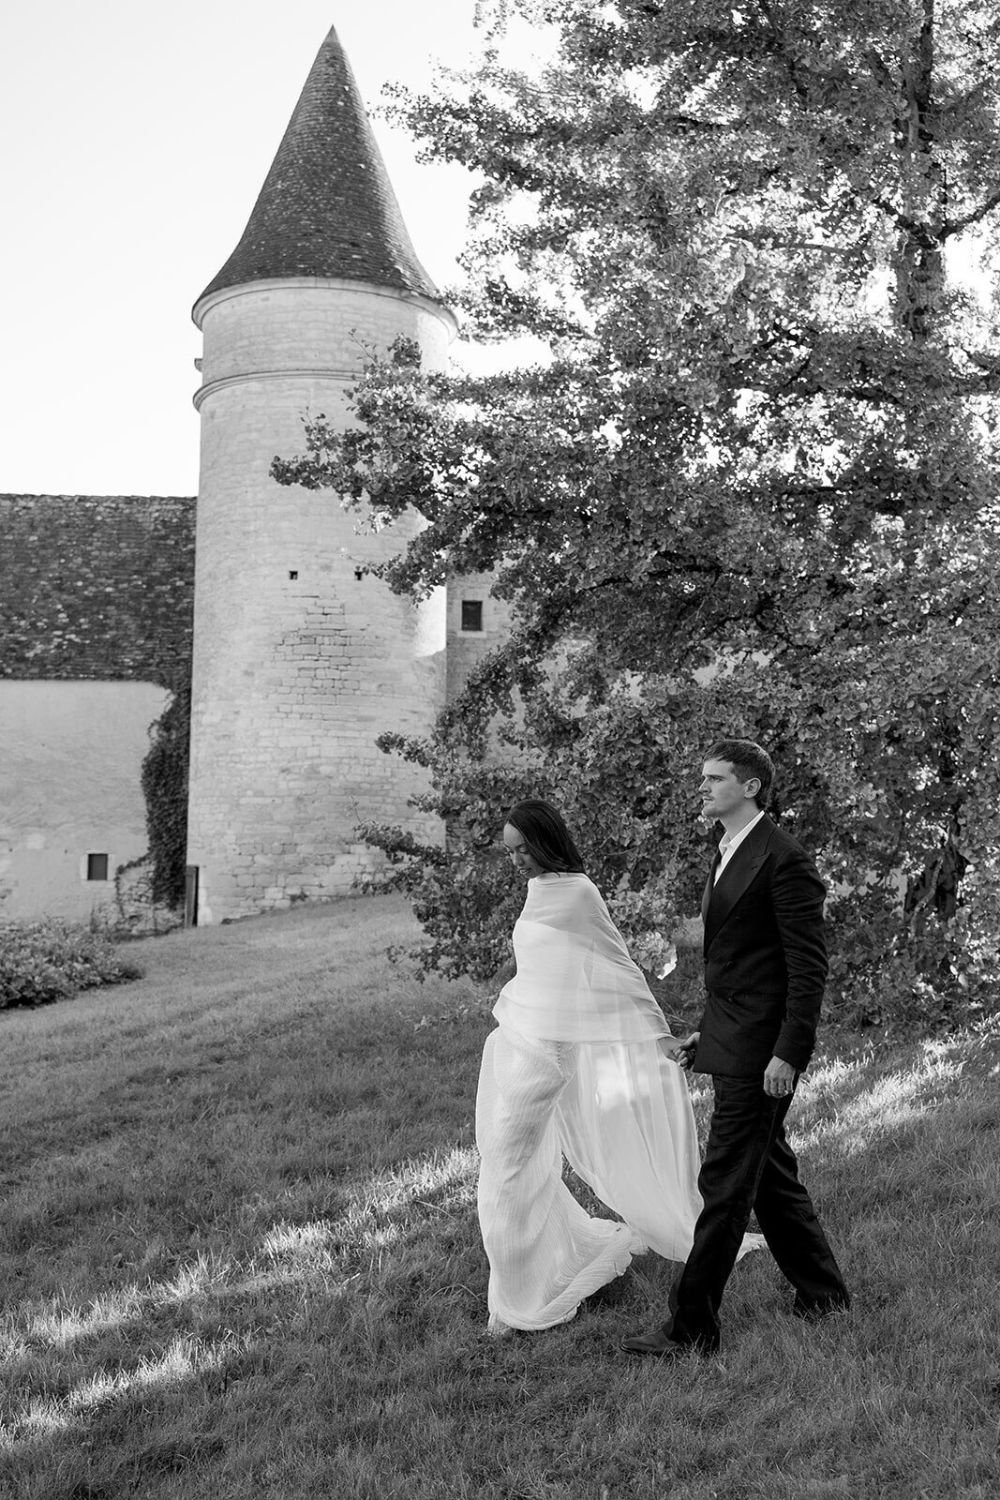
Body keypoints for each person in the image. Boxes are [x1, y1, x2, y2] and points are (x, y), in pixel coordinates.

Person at [622, 738, 850, 1359]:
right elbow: (742, 965)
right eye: (702, 778)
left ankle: (691, 1328)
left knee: (724, 1184)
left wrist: (788, 1054)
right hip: (736, 1036)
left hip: (764, 1054)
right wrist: (710, 1034)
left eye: (715, 778)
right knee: (770, 1177)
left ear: (749, 787)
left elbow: (807, 971)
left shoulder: (784, 860)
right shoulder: (725, 848)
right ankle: (825, 1296)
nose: (702, 787)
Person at [475, 798, 705, 1334]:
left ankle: (512, 1304)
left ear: (545, 841)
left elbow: (619, 966)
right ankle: (543, 1266)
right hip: (516, 1041)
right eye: (510, 854)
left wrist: (659, 1035)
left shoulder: (579, 892)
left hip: (547, 1055)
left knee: (505, 1169)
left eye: (523, 850)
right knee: (516, 1164)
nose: (517, 863)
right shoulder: (537, 889)